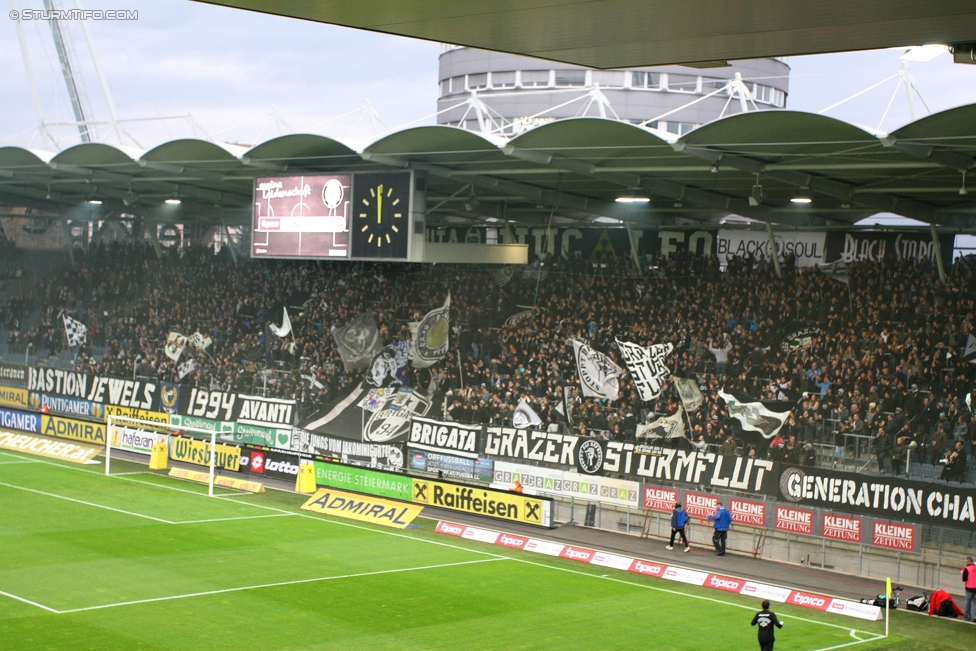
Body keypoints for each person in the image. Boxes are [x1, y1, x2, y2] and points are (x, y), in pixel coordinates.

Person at [963, 556, 976, 621]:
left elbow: (964, 579)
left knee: (968, 602)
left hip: (969, 588)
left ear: (968, 561)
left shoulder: (967, 568)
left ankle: (968, 615)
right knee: (975, 603)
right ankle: (975, 616)